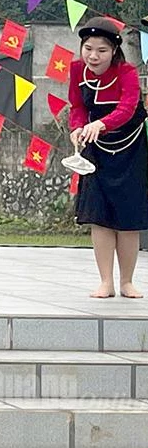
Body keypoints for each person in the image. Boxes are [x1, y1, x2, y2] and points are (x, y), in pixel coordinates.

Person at [68, 18, 147, 298]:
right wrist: (77, 127)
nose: (93, 56)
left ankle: (127, 281)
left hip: (130, 149)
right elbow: (77, 106)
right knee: (98, 215)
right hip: (96, 148)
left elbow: (128, 107)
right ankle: (105, 282)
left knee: (128, 215)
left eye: (101, 50)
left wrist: (102, 124)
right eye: (88, 48)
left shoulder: (127, 72)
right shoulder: (76, 70)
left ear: (114, 51)